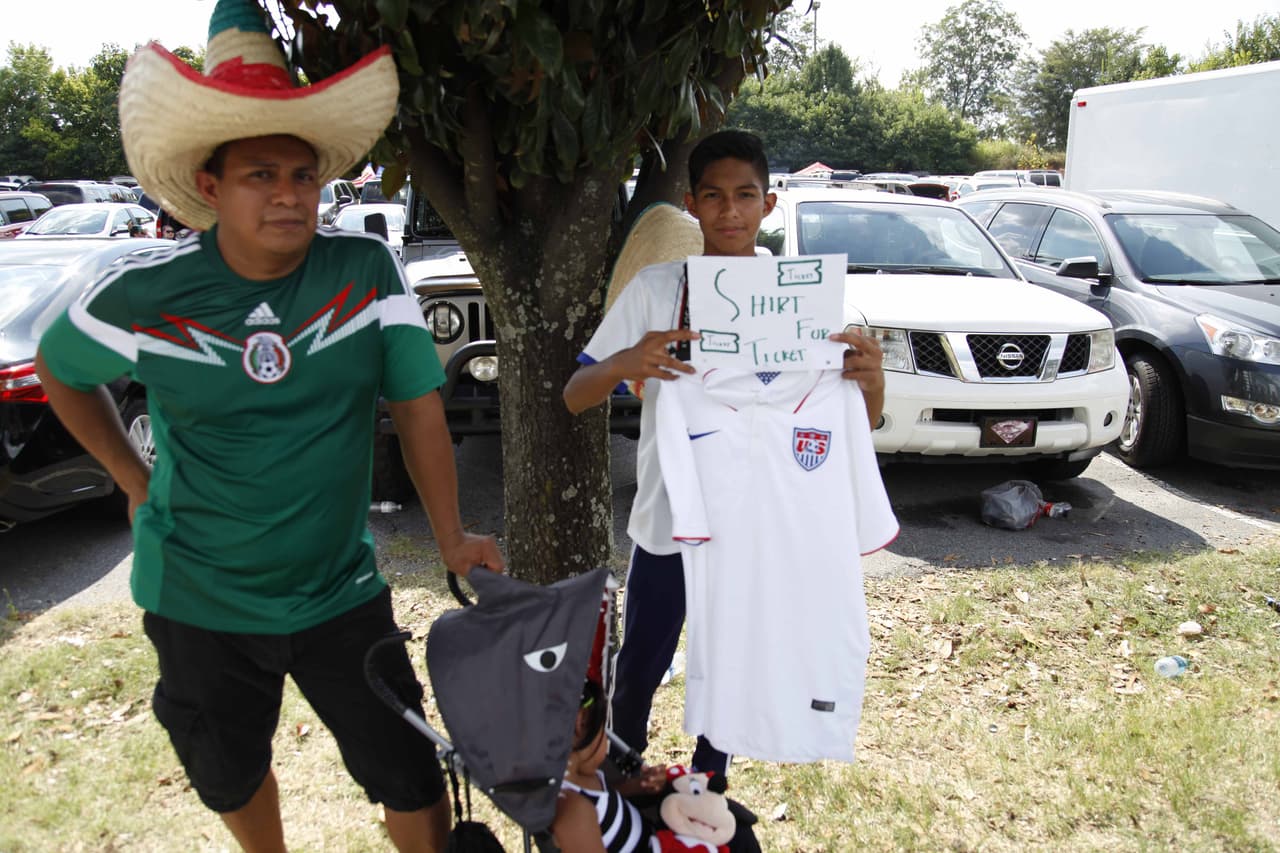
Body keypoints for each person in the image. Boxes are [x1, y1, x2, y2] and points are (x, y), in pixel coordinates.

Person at [34, 2, 504, 851]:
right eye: (261, 175)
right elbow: (59, 371)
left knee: (409, 767)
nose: (289, 196)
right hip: (197, 594)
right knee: (232, 769)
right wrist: (131, 479)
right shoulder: (146, 291)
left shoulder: (365, 270)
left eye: (302, 176)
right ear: (210, 187)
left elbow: (418, 404)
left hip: (339, 591)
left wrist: (452, 534)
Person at [562, 130, 886, 777]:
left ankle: (710, 780)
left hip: (757, 523)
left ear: (769, 203)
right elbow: (575, 394)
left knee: (737, 657)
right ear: (691, 202)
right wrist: (629, 359)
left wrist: (871, 380)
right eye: (713, 196)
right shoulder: (659, 289)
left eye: (745, 196)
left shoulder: (807, 299)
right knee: (643, 660)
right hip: (666, 519)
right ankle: (621, 770)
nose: (730, 212)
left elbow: (859, 420)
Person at [553, 680, 669, 852]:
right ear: (581, 722)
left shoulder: (581, 776)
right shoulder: (573, 813)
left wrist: (641, 785)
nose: (605, 741)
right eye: (604, 732)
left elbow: (605, 798)